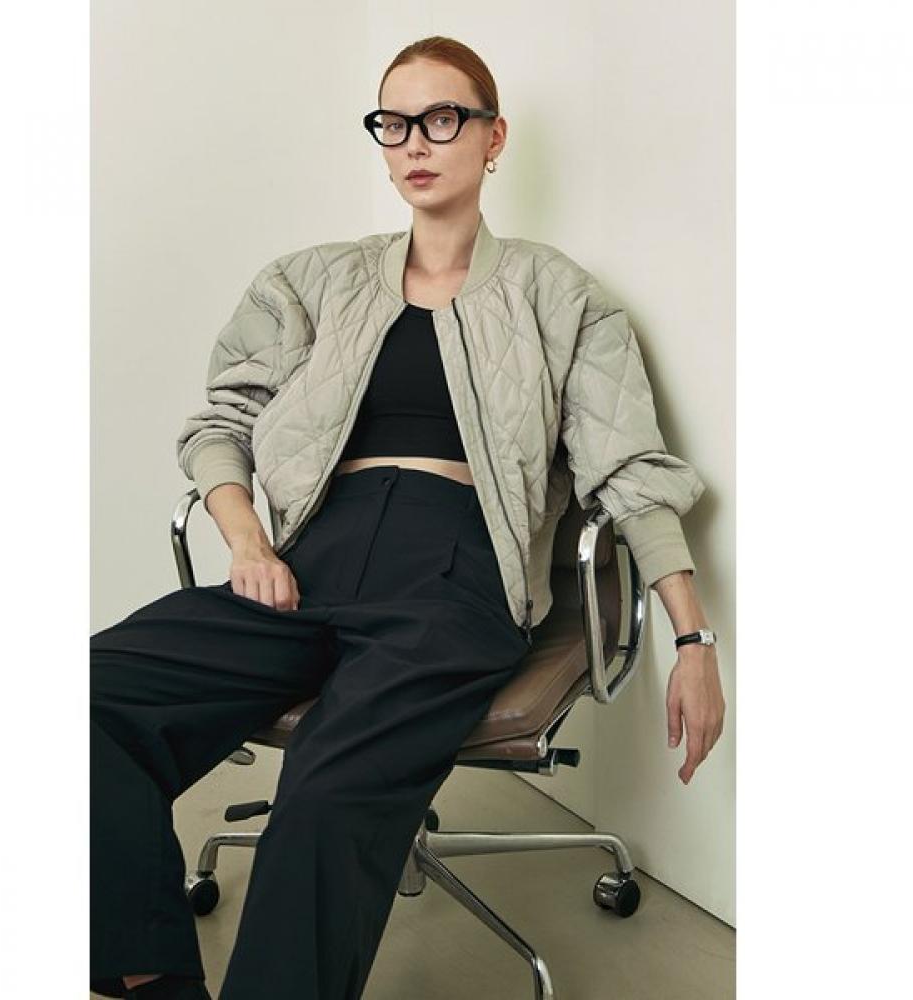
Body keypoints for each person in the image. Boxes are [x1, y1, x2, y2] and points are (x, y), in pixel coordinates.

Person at [91, 35, 726, 1000]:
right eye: (395, 123)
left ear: (493, 137)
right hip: (305, 561)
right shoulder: (310, 280)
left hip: (455, 574)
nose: (416, 142)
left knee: (326, 790)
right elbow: (220, 423)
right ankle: (149, 979)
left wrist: (693, 640)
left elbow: (631, 471)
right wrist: (249, 543)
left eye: (443, 118)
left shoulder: (561, 297)